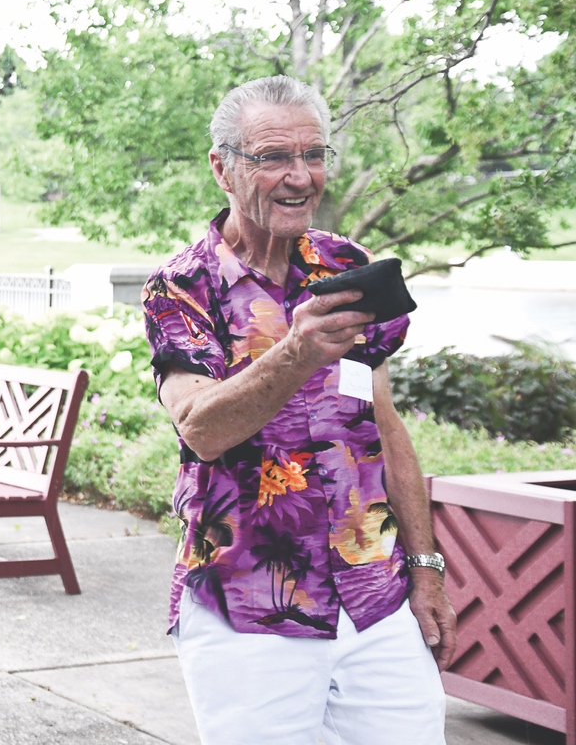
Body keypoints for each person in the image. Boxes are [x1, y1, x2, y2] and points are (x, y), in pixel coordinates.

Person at [141, 75, 456, 745]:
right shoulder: (182, 286)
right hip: (252, 606)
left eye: (314, 156)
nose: (300, 176)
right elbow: (199, 429)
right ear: (222, 169)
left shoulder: (347, 266)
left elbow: (385, 424)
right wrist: (297, 350)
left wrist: (425, 570)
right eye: (274, 158)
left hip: (376, 596)